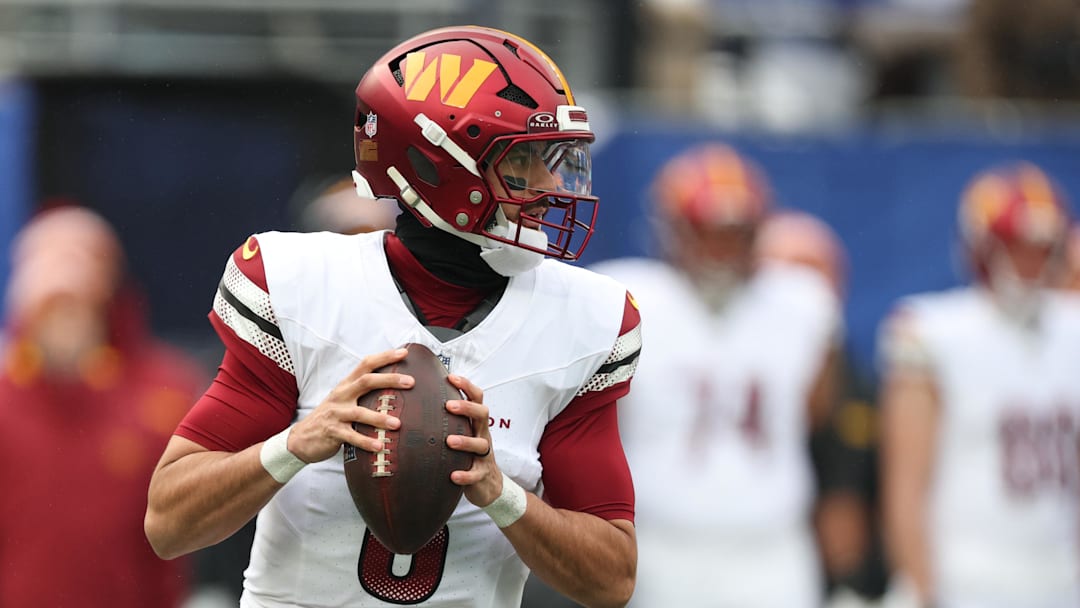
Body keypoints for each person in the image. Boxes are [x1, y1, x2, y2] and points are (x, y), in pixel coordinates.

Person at [144, 25, 641, 608]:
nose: (552, 185)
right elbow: (168, 524)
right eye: (525, 161)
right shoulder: (301, 287)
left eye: (555, 160)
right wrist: (296, 443)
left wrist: (498, 493)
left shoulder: (582, 320)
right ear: (441, 167)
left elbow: (612, 580)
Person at [591, 143, 842, 607]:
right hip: (663, 539)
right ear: (673, 229)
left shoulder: (802, 302)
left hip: (773, 541)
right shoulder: (624, 298)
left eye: (735, 232)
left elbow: (816, 417)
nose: (721, 249)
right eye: (707, 231)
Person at [879, 161, 1080, 608]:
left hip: (1062, 573)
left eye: (1041, 247)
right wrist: (920, 583)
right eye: (1018, 246)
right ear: (985, 248)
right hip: (969, 575)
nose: (1031, 262)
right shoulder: (932, 332)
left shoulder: (1072, 328)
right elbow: (907, 484)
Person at [0, 204, 206, 607]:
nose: (66, 321)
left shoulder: (168, 391)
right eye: (51, 306)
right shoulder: (6, 400)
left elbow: (193, 522)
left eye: (77, 304)